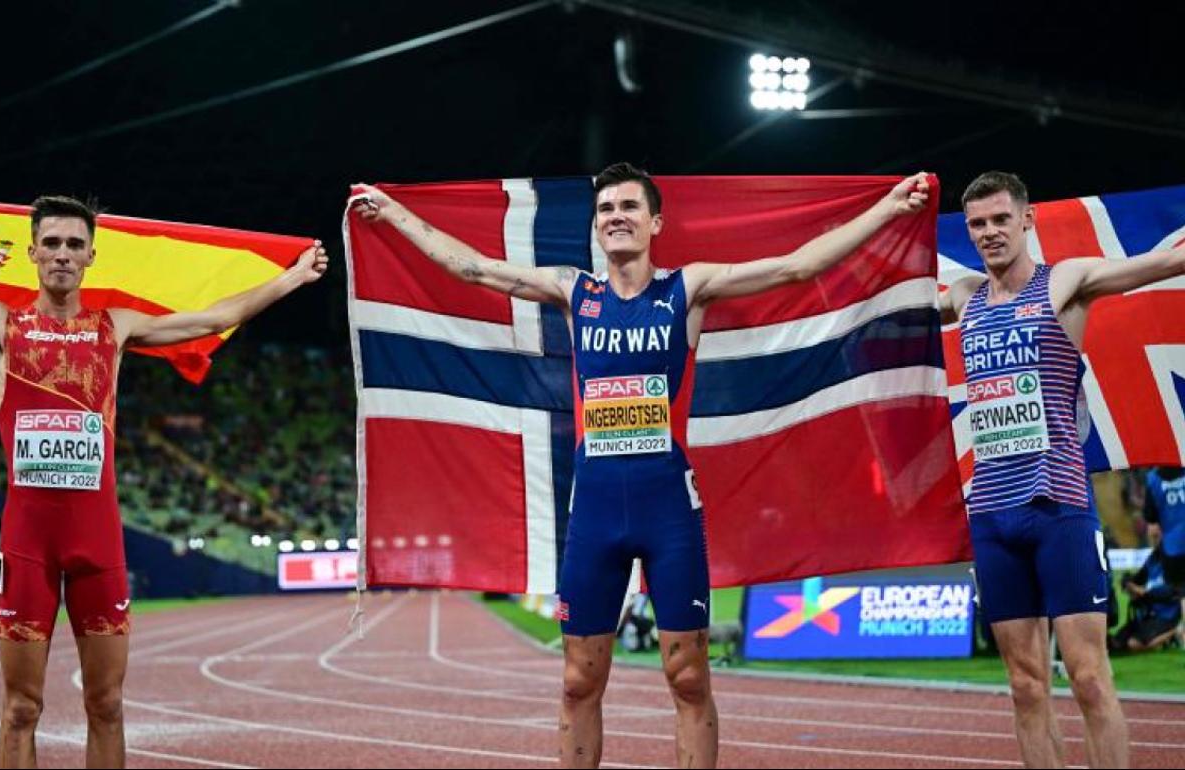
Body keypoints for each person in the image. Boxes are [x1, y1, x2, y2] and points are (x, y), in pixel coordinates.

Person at [352, 164, 931, 768]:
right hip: (595, 514)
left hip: (669, 513)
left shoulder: (689, 288)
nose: (616, 216)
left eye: (629, 206)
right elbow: (473, 268)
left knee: (686, 677)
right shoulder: (576, 292)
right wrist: (393, 213)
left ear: (655, 223)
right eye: (606, 209)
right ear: (596, 227)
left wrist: (888, 209)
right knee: (578, 680)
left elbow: (796, 267)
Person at [0, 195, 327, 768]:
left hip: (98, 543)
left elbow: (214, 319)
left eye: (74, 244)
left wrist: (291, 280)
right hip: (28, 545)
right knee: (20, 706)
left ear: (93, 255)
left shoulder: (114, 329)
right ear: (31, 253)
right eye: (51, 243)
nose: (62, 254)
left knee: (108, 703)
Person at [939, 171, 1185, 768]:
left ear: (1027, 220)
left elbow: (1160, 266)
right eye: (978, 223)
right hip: (992, 517)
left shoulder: (1065, 282)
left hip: (1059, 510)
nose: (990, 232)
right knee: (1025, 687)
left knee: (1088, 678)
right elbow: (873, 302)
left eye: (1001, 219)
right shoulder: (964, 295)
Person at [1109, 546, 1183, 653]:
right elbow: (1137, 579)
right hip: (1146, 614)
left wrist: (1145, 593)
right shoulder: (1152, 559)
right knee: (1116, 644)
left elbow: (1176, 592)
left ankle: (1175, 631)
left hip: (1166, 616)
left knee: (1133, 644)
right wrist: (1127, 583)